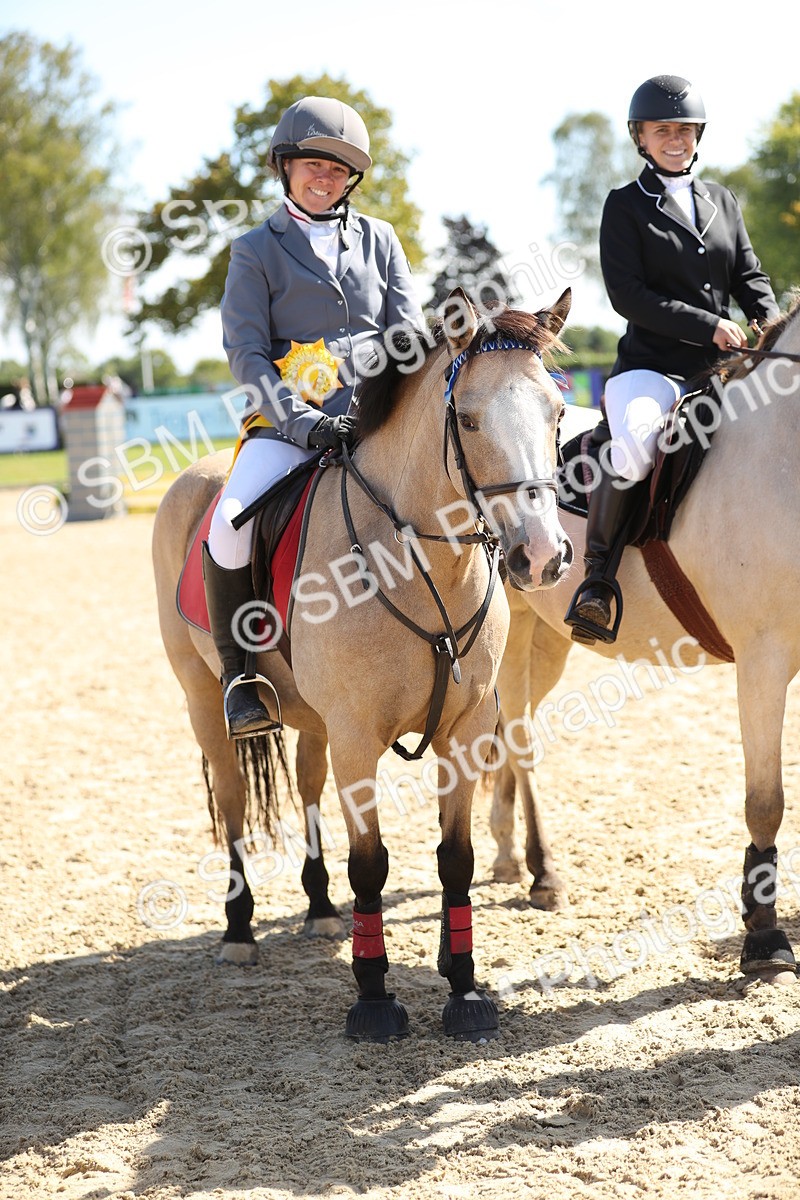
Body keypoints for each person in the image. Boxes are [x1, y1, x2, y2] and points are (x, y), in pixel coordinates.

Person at [203, 96, 425, 738]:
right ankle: (240, 675)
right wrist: (305, 424)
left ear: (350, 178)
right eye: (312, 165)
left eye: (337, 169)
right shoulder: (253, 251)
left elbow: (407, 335)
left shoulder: (381, 240)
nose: (324, 179)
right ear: (285, 167)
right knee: (229, 525)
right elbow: (246, 355)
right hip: (287, 429)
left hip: (376, 422)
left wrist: (377, 379)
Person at [566, 74, 779, 644]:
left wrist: (771, 324)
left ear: (698, 135)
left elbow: (750, 277)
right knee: (635, 449)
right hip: (652, 369)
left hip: (724, 372)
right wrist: (710, 325)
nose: (676, 140)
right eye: (664, 130)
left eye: (684, 130)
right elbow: (628, 296)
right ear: (642, 137)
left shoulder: (722, 201)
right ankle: (597, 581)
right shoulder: (625, 206)